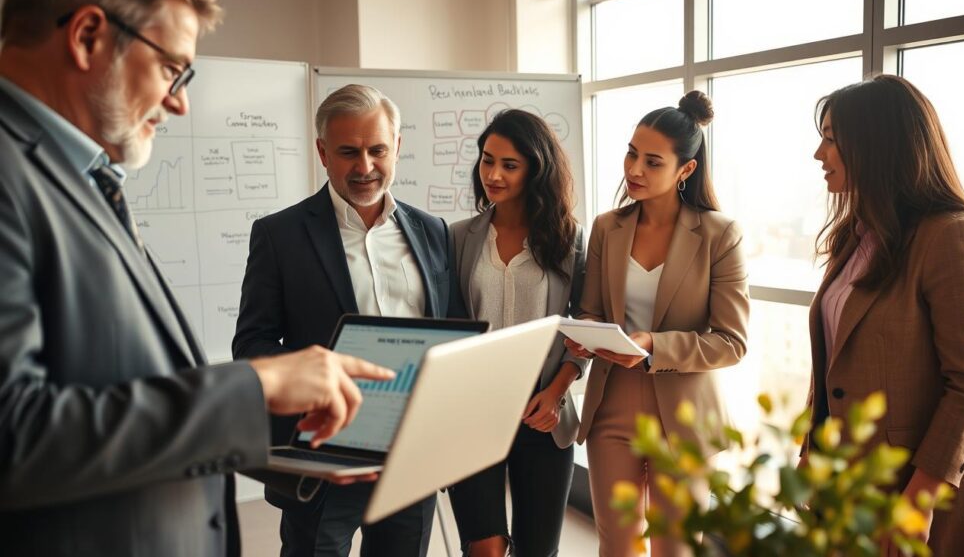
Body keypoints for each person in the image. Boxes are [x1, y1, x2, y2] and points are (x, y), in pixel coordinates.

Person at [0, 0, 392, 556]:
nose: (180, 101)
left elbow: (113, 383)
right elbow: (16, 434)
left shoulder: (78, 178)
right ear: (86, 36)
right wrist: (253, 386)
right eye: (171, 69)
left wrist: (290, 446)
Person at [233, 83, 466, 557]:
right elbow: (252, 344)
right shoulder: (279, 235)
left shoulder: (434, 231)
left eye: (377, 150)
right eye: (348, 152)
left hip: (410, 454)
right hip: (323, 453)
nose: (364, 167)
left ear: (397, 146)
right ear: (322, 152)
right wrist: (318, 381)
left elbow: (453, 330)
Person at [806, 75, 964, 556]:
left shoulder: (953, 236)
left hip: (913, 491)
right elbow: (836, 360)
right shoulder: (857, 235)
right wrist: (811, 452)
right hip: (844, 484)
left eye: (831, 140)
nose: (819, 154)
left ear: (877, 144)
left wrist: (918, 500)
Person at [566, 91, 750, 557]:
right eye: (631, 154)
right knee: (618, 546)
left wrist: (653, 344)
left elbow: (731, 341)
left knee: (676, 548)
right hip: (612, 408)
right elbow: (588, 309)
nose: (634, 170)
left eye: (652, 162)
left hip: (685, 416)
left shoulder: (719, 235)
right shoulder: (608, 227)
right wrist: (588, 336)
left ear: (685, 170)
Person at [446, 109, 587, 557]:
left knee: (536, 550)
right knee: (484, 549)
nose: (493, 174)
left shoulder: (570, 243)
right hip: (472, 411)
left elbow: (584, 327)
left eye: (509, 165)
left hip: (541, 411)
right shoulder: (456, 238)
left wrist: (559, 391)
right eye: (488, 160)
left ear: (536, 169)